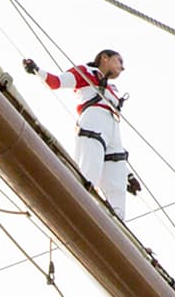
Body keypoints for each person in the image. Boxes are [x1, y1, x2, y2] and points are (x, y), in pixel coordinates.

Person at [22, 50, 140, 219]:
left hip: (113, 131)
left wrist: (127, 175)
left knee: (117, 185)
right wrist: (36, 70)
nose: (122, 67)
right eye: (119, 61)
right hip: (94, 123)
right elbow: (56, 82)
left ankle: (116, 226)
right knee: (89, 175)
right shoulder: (85, 72)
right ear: (104, 58)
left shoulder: (113, 89)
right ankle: (76, 213)